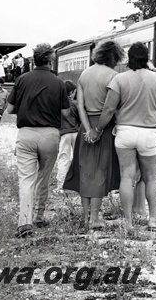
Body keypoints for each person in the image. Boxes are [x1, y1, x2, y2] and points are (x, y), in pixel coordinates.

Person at [90, 42, 156, 230]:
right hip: (149, 133)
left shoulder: (119, 79)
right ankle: (154, 219)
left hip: (125, 132)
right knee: (150, 178)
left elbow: (109, 109)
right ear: (147, 57)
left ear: (129, 58)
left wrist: (98, 129)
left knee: (126, 176)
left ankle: (128, 222)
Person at [5, 43, 70, 238]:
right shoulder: (58, 83)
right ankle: (39, 216)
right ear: (51, 60)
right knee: (43, 177)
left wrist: (26, 108)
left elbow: (9, 109)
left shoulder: (22, 79)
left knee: (26, 179)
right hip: (50, 134)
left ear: (33, 60)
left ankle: (25, 222)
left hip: (26, 135)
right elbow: (66, 112)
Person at [63, 41, 124, 228]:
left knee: (86, 170)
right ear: (113, 56)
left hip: (85, 127)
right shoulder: (114, 76)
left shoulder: (84, 74)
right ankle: (95, 218)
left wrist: (87, 128)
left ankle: (85, 216)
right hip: (103, 127)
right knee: (100, 171)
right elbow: (110, 107)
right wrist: (97, 131)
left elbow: (79, 105)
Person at [54, 80, 79, 192]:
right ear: (72, 92)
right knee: (78, 158)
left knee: (64, 158)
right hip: (76, 133)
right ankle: (78, 184)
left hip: (64, 134)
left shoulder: (58, 104)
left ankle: (61, 185)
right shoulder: (75, 104)